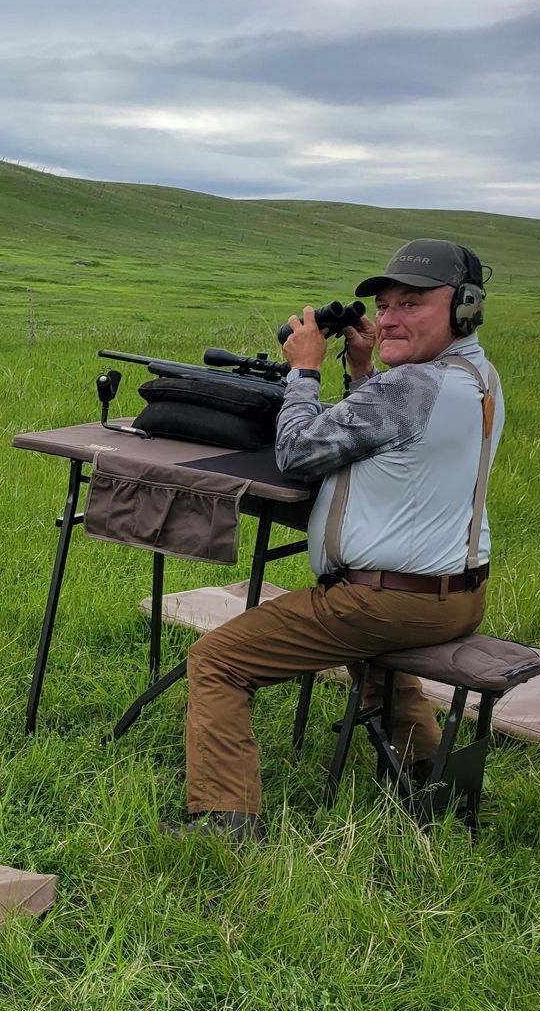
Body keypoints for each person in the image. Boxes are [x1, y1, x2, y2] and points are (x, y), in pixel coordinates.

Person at [171, 239, 504, 841]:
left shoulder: (411, 387)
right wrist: (360, 375)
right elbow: (391, 438)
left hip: (388, 600)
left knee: (217, 660)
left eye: (412, 303)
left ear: (465, 308)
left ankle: (225, 823)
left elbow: (298, 453)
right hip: (455, 594)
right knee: (378, 662)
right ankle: (436, 787)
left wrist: (303, 371)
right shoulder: (477, 375)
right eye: (384, 305)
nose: (390, 318)